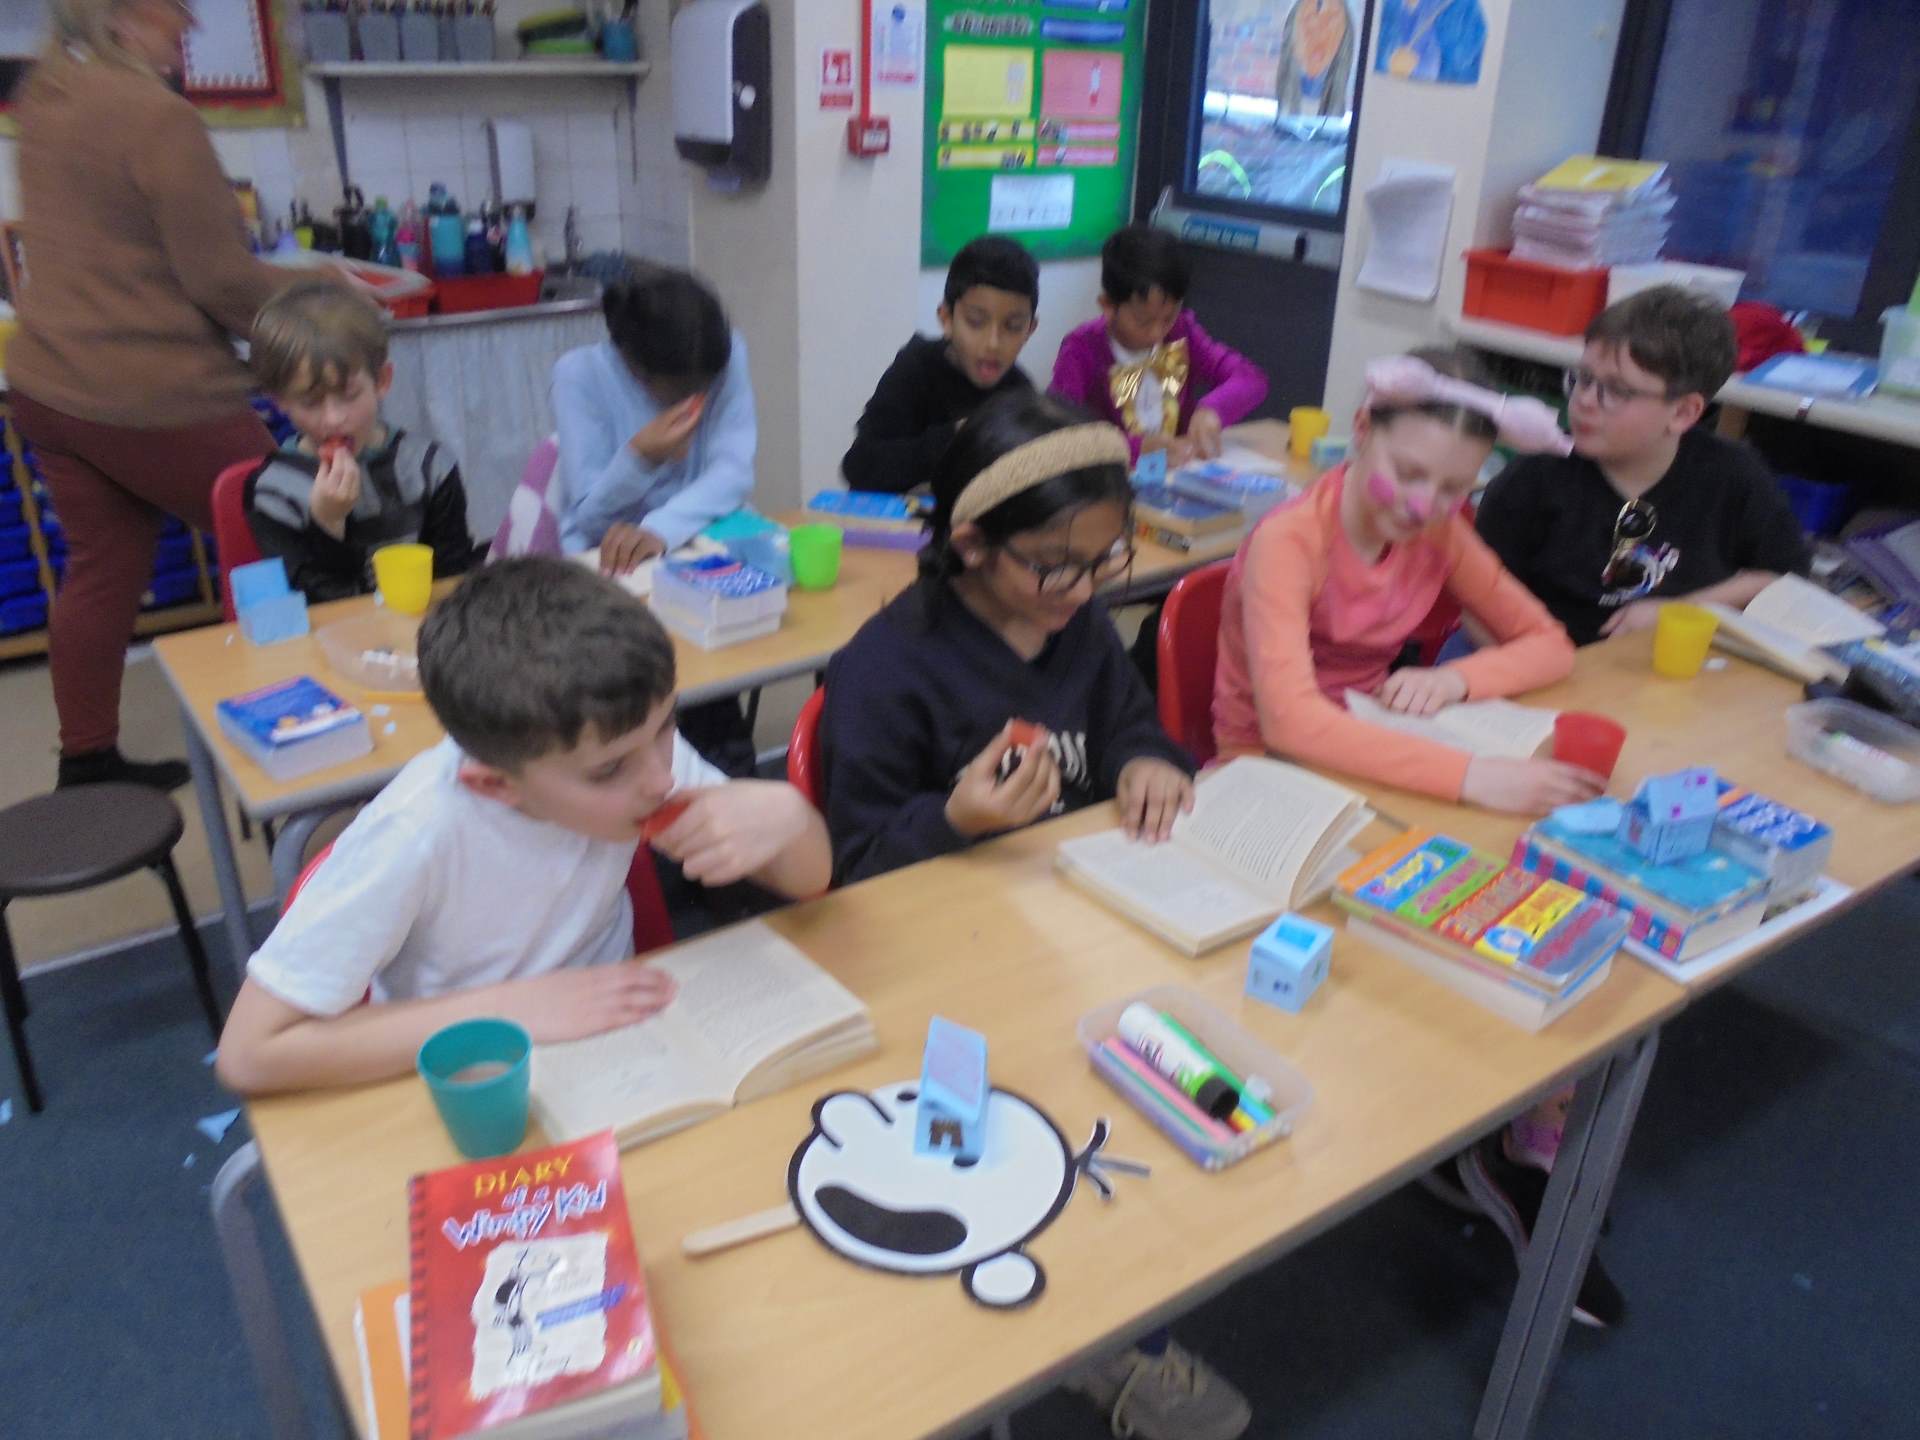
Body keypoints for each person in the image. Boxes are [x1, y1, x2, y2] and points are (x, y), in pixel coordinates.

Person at [820, 389, 1242, 1440]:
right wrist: (953, 819)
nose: (1084, 588)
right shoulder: (886, 669)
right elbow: (851, 872)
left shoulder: (1078, 626)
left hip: (1079, 926)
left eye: (1104, 562)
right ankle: (1090, 1338)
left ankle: (1122, 1286)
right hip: (942, 974)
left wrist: (1148, 759)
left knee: (1174, 1085)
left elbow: (1131, 722)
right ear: (970, 545)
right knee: (1018, 1150)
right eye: (1055, 565)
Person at [214, 559, 830, 1095]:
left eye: (668, 725)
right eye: (609, 770)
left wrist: (790, 817)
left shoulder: (629, 746)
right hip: (473, 1070)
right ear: (494, 785)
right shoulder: (414, 833)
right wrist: (506, 1013)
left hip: (620, 1044)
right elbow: (248, 1054)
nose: (661, 778)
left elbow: (809, 881)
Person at [8, 0, 303, 790]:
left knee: (102, 568)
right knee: (297, 527)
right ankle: (310, 731)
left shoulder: (49, 95)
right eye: (176, 8)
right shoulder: (156, 116)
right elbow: (220, 280)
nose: (191, 27)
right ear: (121, 12)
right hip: (147, 390)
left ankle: (87, 762)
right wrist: (325, 298)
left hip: (48, 384)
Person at [1214, 348, 1598, 815]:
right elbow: (1288, 722)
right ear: (1361, 429)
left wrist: (1456, 680)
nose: (1423, 505)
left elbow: (1551, 645)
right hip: (1268, 764)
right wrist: (1471, 776)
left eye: (1453, 488)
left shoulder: (1441, 532)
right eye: (1408, 473)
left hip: (1374, 742)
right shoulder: (1289, 541)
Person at [1476, 285, 1810, 646]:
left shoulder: (1733, 475)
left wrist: (1681, 610)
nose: (1585, 401)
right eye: (1583, 378)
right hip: (1540, 661)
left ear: (1683, 412)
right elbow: (1476, 604)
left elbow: (1784, 577)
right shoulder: (1535, 476)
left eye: (1617, 391)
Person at [242, 280, 479, 601]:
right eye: (310, 403)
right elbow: (312, 604)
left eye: (350, 395)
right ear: (280, 401)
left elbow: (454, 581)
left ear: (382, 381)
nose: (334, 419)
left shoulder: (430, 469)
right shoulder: (274, 491)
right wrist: (328, 523)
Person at [553, 264, 755, 577]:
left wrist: (662, 529)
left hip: (700, 536)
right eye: (682, 390)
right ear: (635, 369)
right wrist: (641, 458)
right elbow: (590, 521)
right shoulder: (580, 375)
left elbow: (733, 473)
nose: (698, 398)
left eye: (707, 386)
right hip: (609, 556)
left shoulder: (726, 354)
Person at [1049, 224, 1268, 466]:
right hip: (1113, 479)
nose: (1157, 334)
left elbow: (1251, 378)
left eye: (1168, 318)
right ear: (1108, 306)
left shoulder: (1182, 332)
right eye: (1143, 321)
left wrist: (1213, 409)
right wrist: (1136, 448)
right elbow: (1060, 434)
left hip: (1177, 473)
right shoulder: (1081, 351)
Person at [840, 235, 1039, 493]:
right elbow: (859, 466)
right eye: (976, 322)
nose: (993, 343)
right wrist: (956, 439)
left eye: (1013, 326)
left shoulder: (1020, 393)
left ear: (1030, 329)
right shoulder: (915, 369)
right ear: (946, 318)